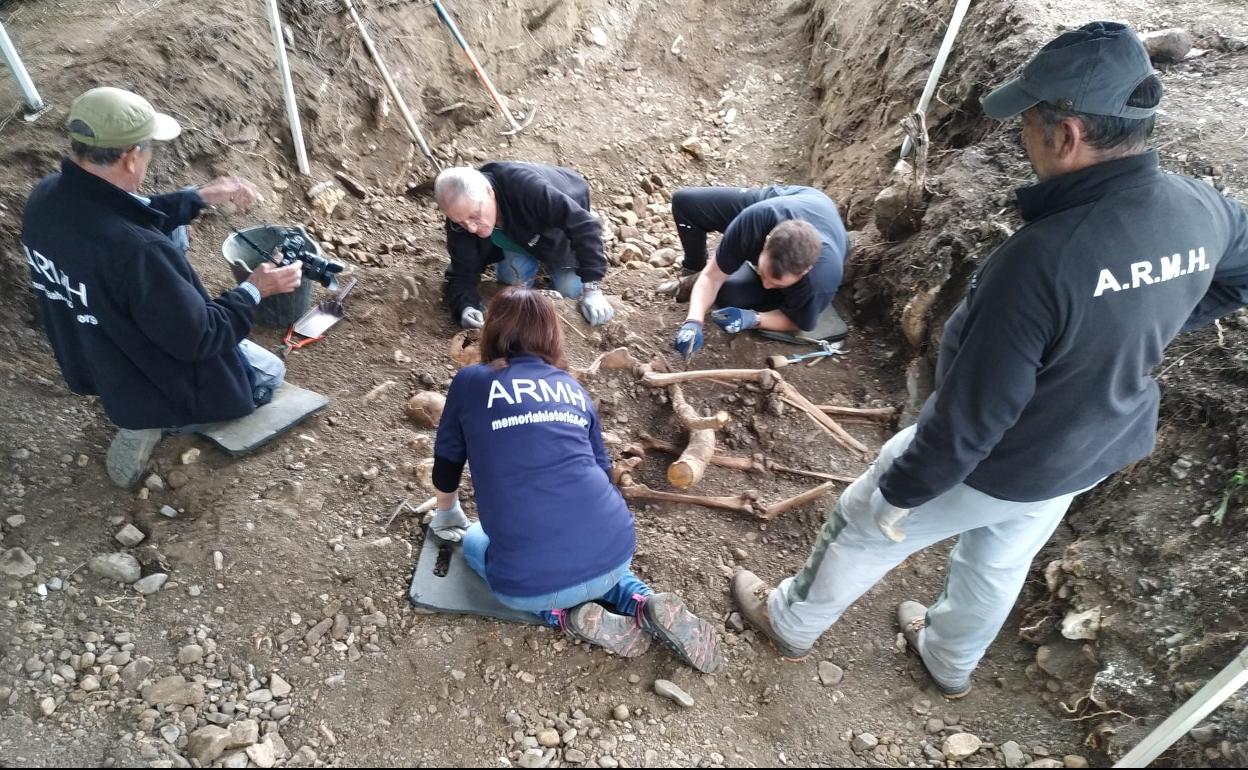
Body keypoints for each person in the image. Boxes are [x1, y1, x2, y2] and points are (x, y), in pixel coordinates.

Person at [731, 21, 1248, 699]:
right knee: (998, 561)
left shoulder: (1039, 264)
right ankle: (948, 659)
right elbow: (1235, 278)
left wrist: (901, 494)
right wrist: (1137, 327)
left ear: (1068, 136)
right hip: (1090, 450)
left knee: (861, 524)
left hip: (1002, 459)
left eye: (1029, 122)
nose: (1022, 135)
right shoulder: (1200, 209)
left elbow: (971, 422)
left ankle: (791, 622)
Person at [21, 87, 303, 488]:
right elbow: (202, 336)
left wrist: (196, 198)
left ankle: (139, 415)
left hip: (94, 356)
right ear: (131, 156)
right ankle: (156, 421)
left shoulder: (46, 197)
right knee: (270, 372)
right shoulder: (138, 254)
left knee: (175, 238)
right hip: (148, 377)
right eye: (149, 150)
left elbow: (124, 213)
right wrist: (255, 289)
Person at [430, 287, 722, 672]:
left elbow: (448, 460)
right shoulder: (572, 388)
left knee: (474, 540)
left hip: (531, 579)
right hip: (616, 547)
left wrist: (447, 514)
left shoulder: (471, 381)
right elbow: (602, 472)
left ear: (493, 333)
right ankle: (640, 600)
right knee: (588, 545)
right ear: (551, 336)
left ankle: (563, 616)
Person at [669, 185, 848, 358]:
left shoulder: (821, 278)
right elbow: (711, 277)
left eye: (777, 284)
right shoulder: (752, 222)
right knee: (685, 202)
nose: (766, 284)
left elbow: (796, 322)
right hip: (796, 199)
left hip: (823, 237)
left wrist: (752, 318)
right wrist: (693, 321)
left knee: (731, 295)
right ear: (765, 243)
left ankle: (794, 297)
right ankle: (692, 273)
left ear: (805, 272)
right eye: (763, 273)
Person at [435, 163, 615, 330]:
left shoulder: (527, 189)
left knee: (569, 292)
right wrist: (466, 307)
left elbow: (584, 225)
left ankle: (551, 261)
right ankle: (525, 250)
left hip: (560, 230)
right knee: (511, 285)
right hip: (518, 236)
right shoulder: (461, 217)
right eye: (462, 222)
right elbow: (461, 271)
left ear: (489, 192)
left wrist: (592, 289)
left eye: (475, 217)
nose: (471, 228)